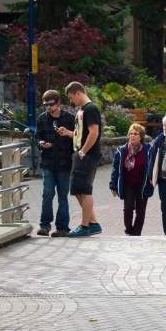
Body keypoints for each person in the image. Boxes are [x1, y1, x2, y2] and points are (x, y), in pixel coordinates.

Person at [56, 81, 102, 238]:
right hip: (81, 154)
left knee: (84, 189)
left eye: (71, 97)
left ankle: (85, 225)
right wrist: (69, 133)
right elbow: (81, 133)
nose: (71, 101)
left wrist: (83, 151)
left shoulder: (91, 108)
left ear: (78, 93)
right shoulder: (83, 110)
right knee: (76, 189)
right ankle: (93, 223)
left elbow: (94, 132)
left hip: (87, 155)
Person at [34, 89, 75, 237]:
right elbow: (37, 138)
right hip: (48, 163)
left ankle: (62, 228)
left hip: (65, 163)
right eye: (46, 105)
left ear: (59, 103)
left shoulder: (70, 119)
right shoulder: (41, 119)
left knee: (63, 196)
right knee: (47, 194)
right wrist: (41, 143)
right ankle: (45, 226)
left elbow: (77, 139)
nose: (49, 108)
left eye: (51, 104)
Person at [110, 122, 151, 236]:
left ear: (141, 137)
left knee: (140, 210)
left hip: (142, 185)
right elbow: (115, 169)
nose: (132, 136)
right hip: (128, 184)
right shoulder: (122, 150)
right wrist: (113, 185)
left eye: (136, 134)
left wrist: (153, 179)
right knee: (128, 208)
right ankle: (129, 229)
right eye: (131, 133)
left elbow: (153, 167)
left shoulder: (148, 149)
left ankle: (136, 233)